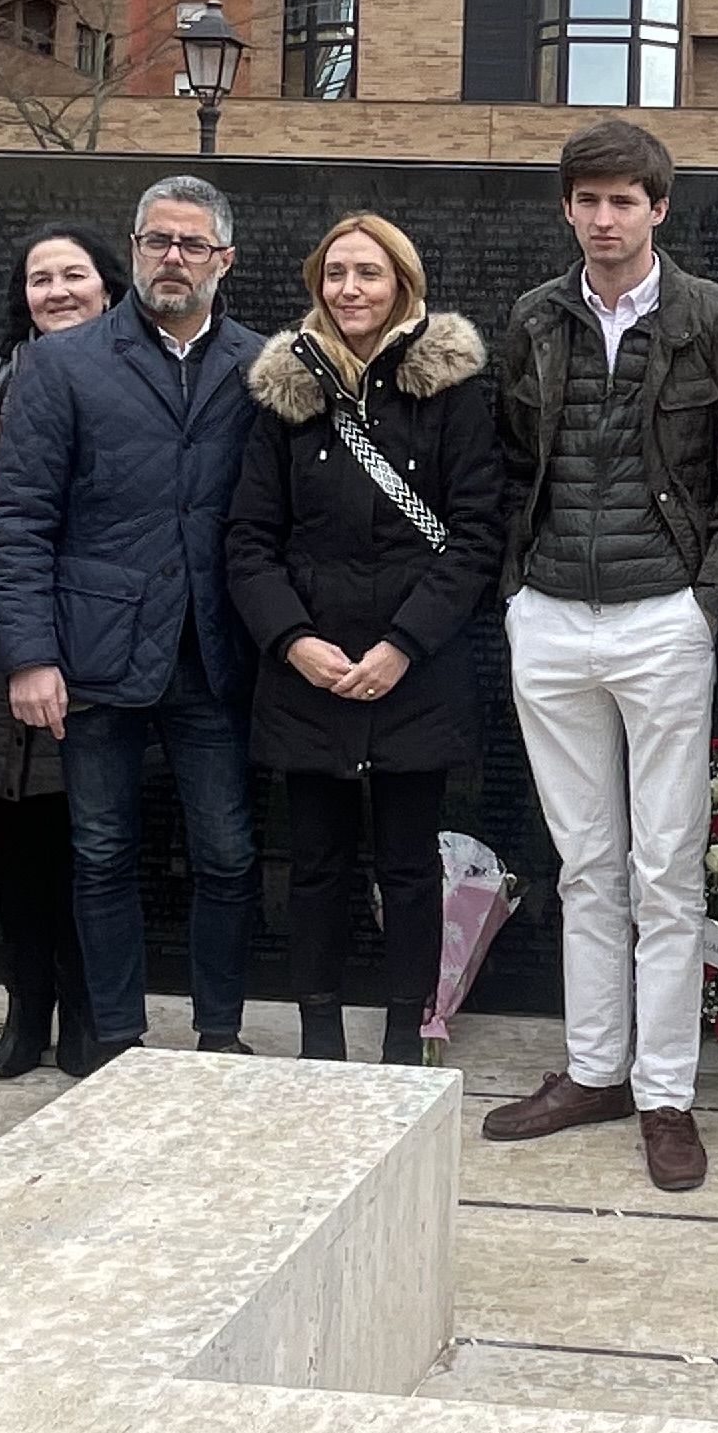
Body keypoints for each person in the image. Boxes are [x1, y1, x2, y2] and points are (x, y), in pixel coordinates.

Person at [483, 120, 718, 1191]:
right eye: (588, 201)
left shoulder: (715, 321)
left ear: (659, 208)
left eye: (624, 200)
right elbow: (517, 465)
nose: (605, 219)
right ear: (567, 210)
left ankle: (664, 1093)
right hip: (551, 614)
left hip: (663, 618)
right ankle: (594, 1070)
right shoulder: (534, 319)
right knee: (586, 865)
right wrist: (515, 591)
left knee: (665, 864)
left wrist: (704, 608)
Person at [0, 176, 266, 1064]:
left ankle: (219, 1031)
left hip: (213, 653)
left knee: (226, 854)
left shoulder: (266, 366)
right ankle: (116, 1040)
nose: (171, 259)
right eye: (156, 242)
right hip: (93, 652)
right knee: (101, 852)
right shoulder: (63, 365)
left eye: (191, 245)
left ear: (224, 259)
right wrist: (30, 657)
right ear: (134, 252)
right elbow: (21, 515)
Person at [224, 213, 505, 1065]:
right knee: (313, 864)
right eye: (337, 273)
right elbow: (247, 540)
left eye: (369, 274)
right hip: (310, 672)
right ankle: (318, 1034)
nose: (351, 289)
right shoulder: (284, 396)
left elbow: (477, 535)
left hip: (412, 670)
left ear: (402, 286)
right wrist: (294, 642)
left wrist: (401, 646)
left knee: (411, 867)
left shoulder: (450, 393)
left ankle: (403, 1034)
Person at [0, 225, 123, 1077]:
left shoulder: (139, 377)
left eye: (74, 275)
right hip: (3, 641)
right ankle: (28, 1006)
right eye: (39, 279)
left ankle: (90, 1007)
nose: (57, 291)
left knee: (91, 836)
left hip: (102, 640)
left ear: (109, 286)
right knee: (18, 834)